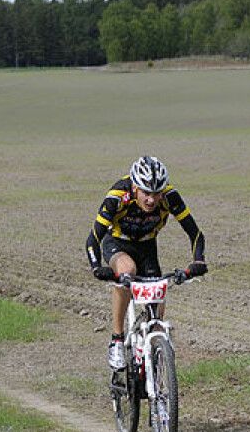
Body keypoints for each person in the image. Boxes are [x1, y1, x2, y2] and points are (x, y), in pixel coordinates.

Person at [85, 155, 207, 370]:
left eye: (157, 193)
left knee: (156, 310)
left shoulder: (170, 198)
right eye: (146, 193)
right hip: (117, 243)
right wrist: (97, 268)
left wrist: (198, 261)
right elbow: (92, 239)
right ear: (135, 187)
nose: (152, 200)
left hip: (147, 247)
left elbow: (196, 234)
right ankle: (117, 340)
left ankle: (157, 364)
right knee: (127, 271)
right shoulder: (117, 196)